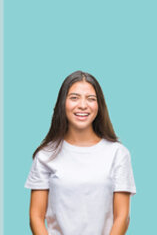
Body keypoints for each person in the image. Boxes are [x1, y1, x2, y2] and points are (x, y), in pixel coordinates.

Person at [26, 71, 134, 235]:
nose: (83, 105)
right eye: (74, 98)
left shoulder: (118, 153)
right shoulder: (45, 156)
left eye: (91, 99)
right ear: (63, 103)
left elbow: (122, 216)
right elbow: (35, 216)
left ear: (99, 106)